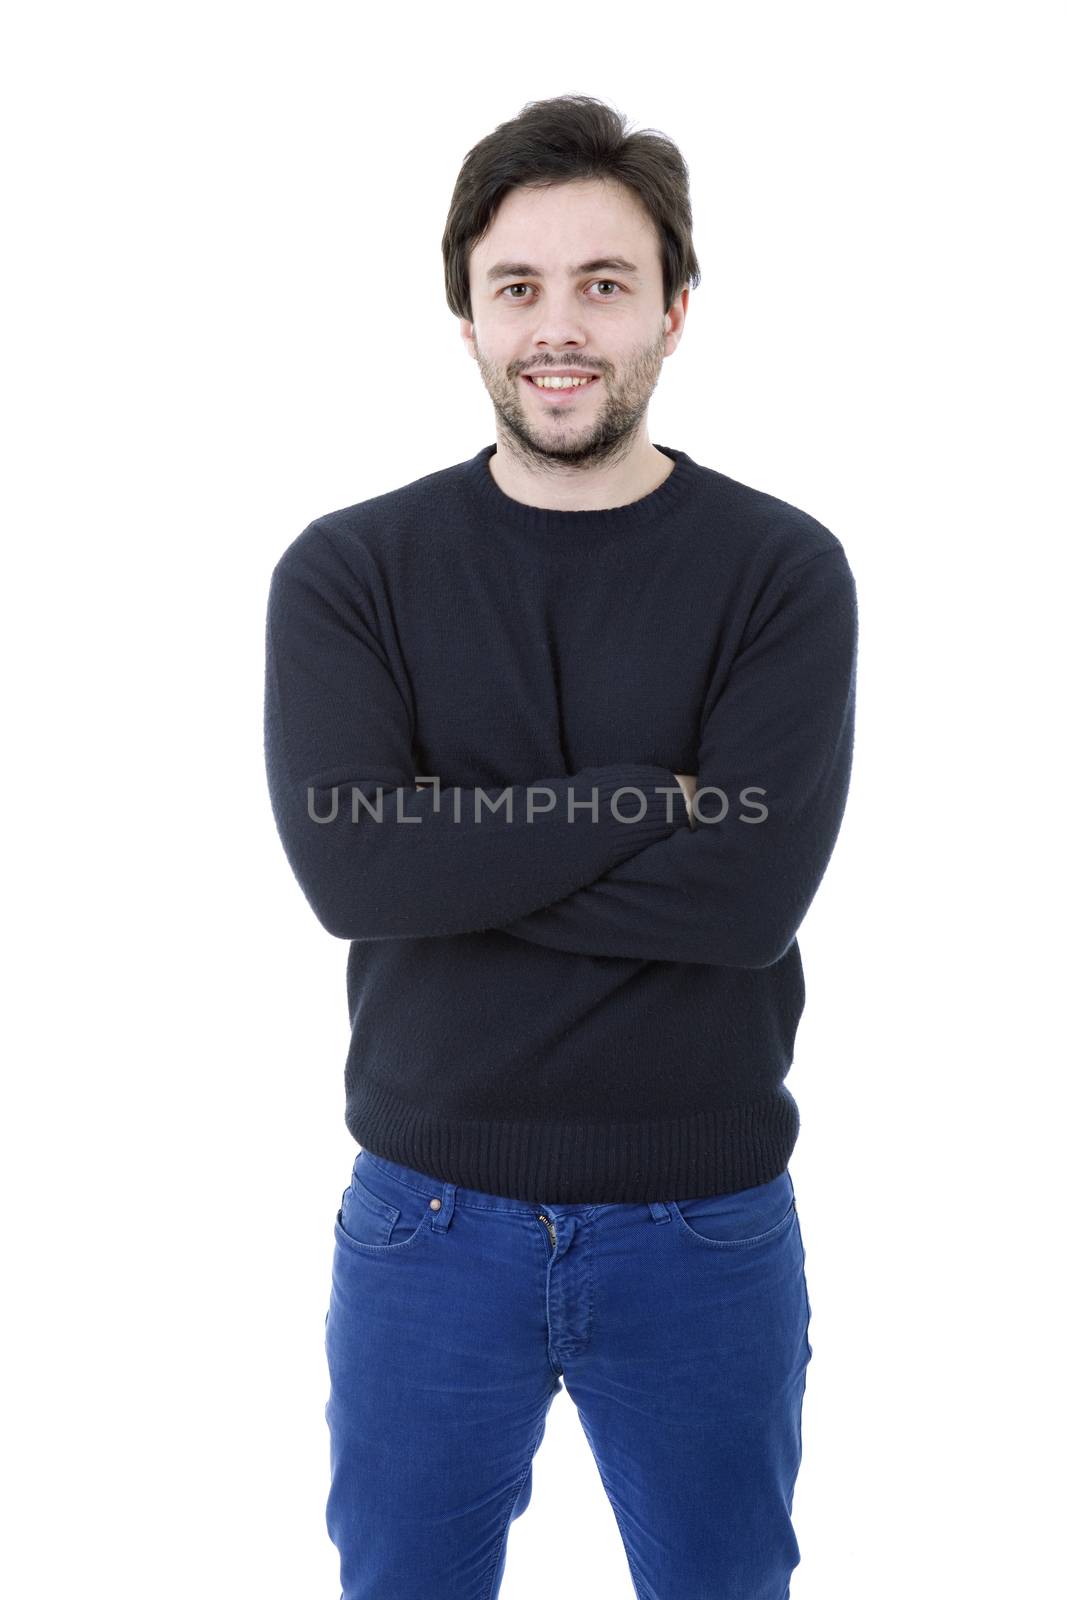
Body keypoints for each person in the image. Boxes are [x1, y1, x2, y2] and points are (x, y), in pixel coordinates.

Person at [263, 93, 858, 1600]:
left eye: (604, 283)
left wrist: (451, 845)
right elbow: (355, 874)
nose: (560, 326)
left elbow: (747, 897)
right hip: (427, 1224)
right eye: (517, 286)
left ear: (674, 306)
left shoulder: (779, 570)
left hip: (705, 1225)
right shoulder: (351, 572)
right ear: (463, 312)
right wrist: (648, 793)